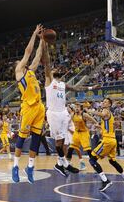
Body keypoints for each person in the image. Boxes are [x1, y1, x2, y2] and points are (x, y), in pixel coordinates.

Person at [43, 41, 96, 175]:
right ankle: (64, 164)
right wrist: (45, 46)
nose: (54, 69)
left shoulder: (62, 84)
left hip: (63, 113)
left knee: (63, 142)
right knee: (59, 142)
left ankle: (60, 164)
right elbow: (47, 64)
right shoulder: (49, 81)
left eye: (56, 69)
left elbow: (76, 88)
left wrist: (91, 88)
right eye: (53, 69)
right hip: (53, 113)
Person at [12, 25, 45, 184]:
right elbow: (28, 51)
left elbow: (37, 55)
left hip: (39, 107)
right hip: (28, 107)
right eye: (20, 61)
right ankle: (15, 166)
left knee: (36, 138)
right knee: (22, 138)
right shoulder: (19, 71)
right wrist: (33, 34)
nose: (22, 61)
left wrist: (43, 40)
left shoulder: (30, 70)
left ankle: (30, 167)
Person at [88, 98, 124, 192]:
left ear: (109, 105)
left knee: (92, 159)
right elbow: (107, 127)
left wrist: (89, 111)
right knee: (112, 161)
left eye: (105, 102)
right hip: (112, 140)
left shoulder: (106, 111)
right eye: (103, 101)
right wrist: (99, 126)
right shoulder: (109, 114)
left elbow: (102, 114)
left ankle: (105, 181)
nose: (103, 102)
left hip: (107, 141)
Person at [66, 103, 99, 171]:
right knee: (70, 149)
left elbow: (92, 119)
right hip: (76, 133)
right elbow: (67, 121)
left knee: (88, 150)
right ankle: (67, 165)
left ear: (81, 108)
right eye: (75, 107)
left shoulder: (84, 114)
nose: (76, 108)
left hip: (84, 133)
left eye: (78, 107)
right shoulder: (73, 115)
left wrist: (97, 124)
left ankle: (95, 165)